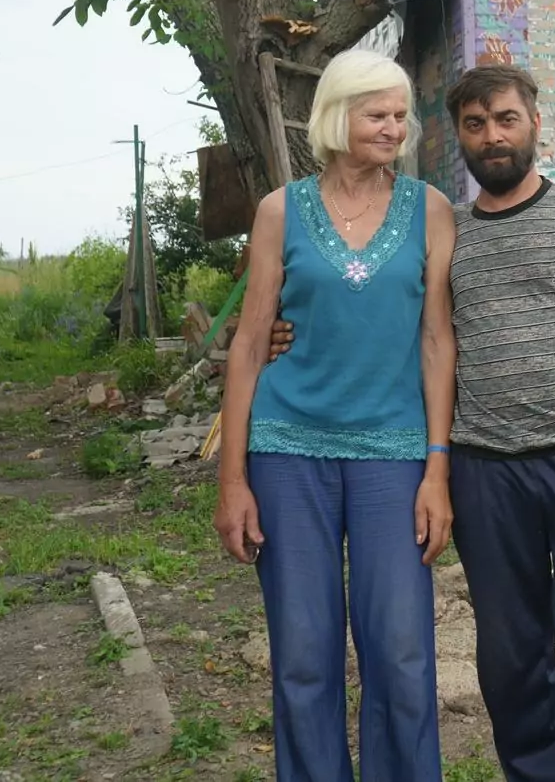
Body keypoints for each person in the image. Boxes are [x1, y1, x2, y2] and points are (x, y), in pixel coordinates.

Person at [270, 62, 555, 782]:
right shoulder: (445, 230)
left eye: (507, 119)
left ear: (535, 124)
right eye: (476, 124)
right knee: (513, 664)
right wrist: (284, 328)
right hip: (487, 472)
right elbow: (399, 318)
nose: (493, 136)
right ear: (458, 135)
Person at [215, 50, 456, 782]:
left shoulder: (431, 210)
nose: (394, 128)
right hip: (287, 449)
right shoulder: (279, 211)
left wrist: (438, 467)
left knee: (402, 651)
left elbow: (436, 339)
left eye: (400, 115)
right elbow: (250, 341)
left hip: (395, 452)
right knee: (303, 653)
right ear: (336, 116)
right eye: (377, 113)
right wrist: (232, 480)